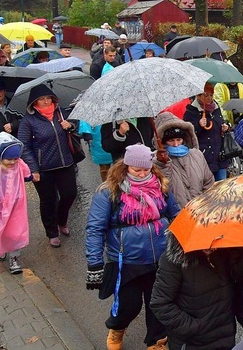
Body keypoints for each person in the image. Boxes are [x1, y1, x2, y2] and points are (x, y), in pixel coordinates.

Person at [85, 144, 180, 350]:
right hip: (126, 260)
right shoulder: (109, 192)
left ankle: (157, 342)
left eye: (146, 169)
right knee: (129, 305)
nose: (142, 173)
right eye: (137, 170)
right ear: (126, 166)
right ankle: (117, 328)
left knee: (159, 304)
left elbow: (175, 213)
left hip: (161, 256)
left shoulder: (161, 185)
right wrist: (94, 263)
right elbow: (95, 228)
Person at [150, 229, 243, 350]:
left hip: (225, 337)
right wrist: (193, 328)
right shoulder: (174, 261)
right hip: (193, 343)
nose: (214, 244)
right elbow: (160, 303)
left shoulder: (220, 252)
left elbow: (237, 274)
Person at [18, 84, 78, 248]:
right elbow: (24, 145)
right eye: (41, 99)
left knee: (69, 194)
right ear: (34, 102)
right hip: (43, 169)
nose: (45, 102)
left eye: (47, 98)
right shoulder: (28, 121)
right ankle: (52, 233)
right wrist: (33, 168)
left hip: (65, 163)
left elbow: (76, 125)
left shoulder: (61, 113)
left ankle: (62, 221)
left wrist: (70, 126)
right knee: (48, 201)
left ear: (53, 98)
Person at [0, 133, 32, 275]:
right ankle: (2, 249)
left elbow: (27, 175)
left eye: (15, 159)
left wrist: (27, 173)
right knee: (0, 232)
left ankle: (14, 259)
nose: (12, 162)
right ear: (0, 156)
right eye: (9, 159)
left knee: (15, 234)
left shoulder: (18, 165)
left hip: (16, 208)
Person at [154, 112, 214, 208]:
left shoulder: (196, 155)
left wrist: (206, 205)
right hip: (177, 216)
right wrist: (162, 164)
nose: (176, 144)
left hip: (200, 211)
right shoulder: (157, 161)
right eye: (171, 141)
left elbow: (208, 183)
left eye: (179, 139)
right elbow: (163, 190)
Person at [184, 82, 231, 181]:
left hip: (220, 155)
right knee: (209, 189)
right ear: (198, 95)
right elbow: (187, 133)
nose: (209, 98)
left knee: (221, 186)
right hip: (204, 157)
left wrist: (224, 127)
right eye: (206, 95)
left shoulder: (216, 108)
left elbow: (220, 122)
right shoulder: (191, 111)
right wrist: (198, 125)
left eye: (211, 95)